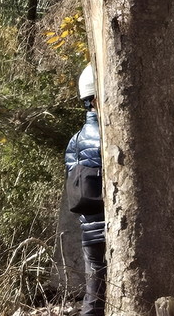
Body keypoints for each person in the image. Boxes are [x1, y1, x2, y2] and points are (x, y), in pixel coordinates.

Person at [65, 64, 106, 316]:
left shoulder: (76, 140)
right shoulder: (111, 134)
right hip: (111, 226)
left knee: (96, 291)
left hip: (88, 228)